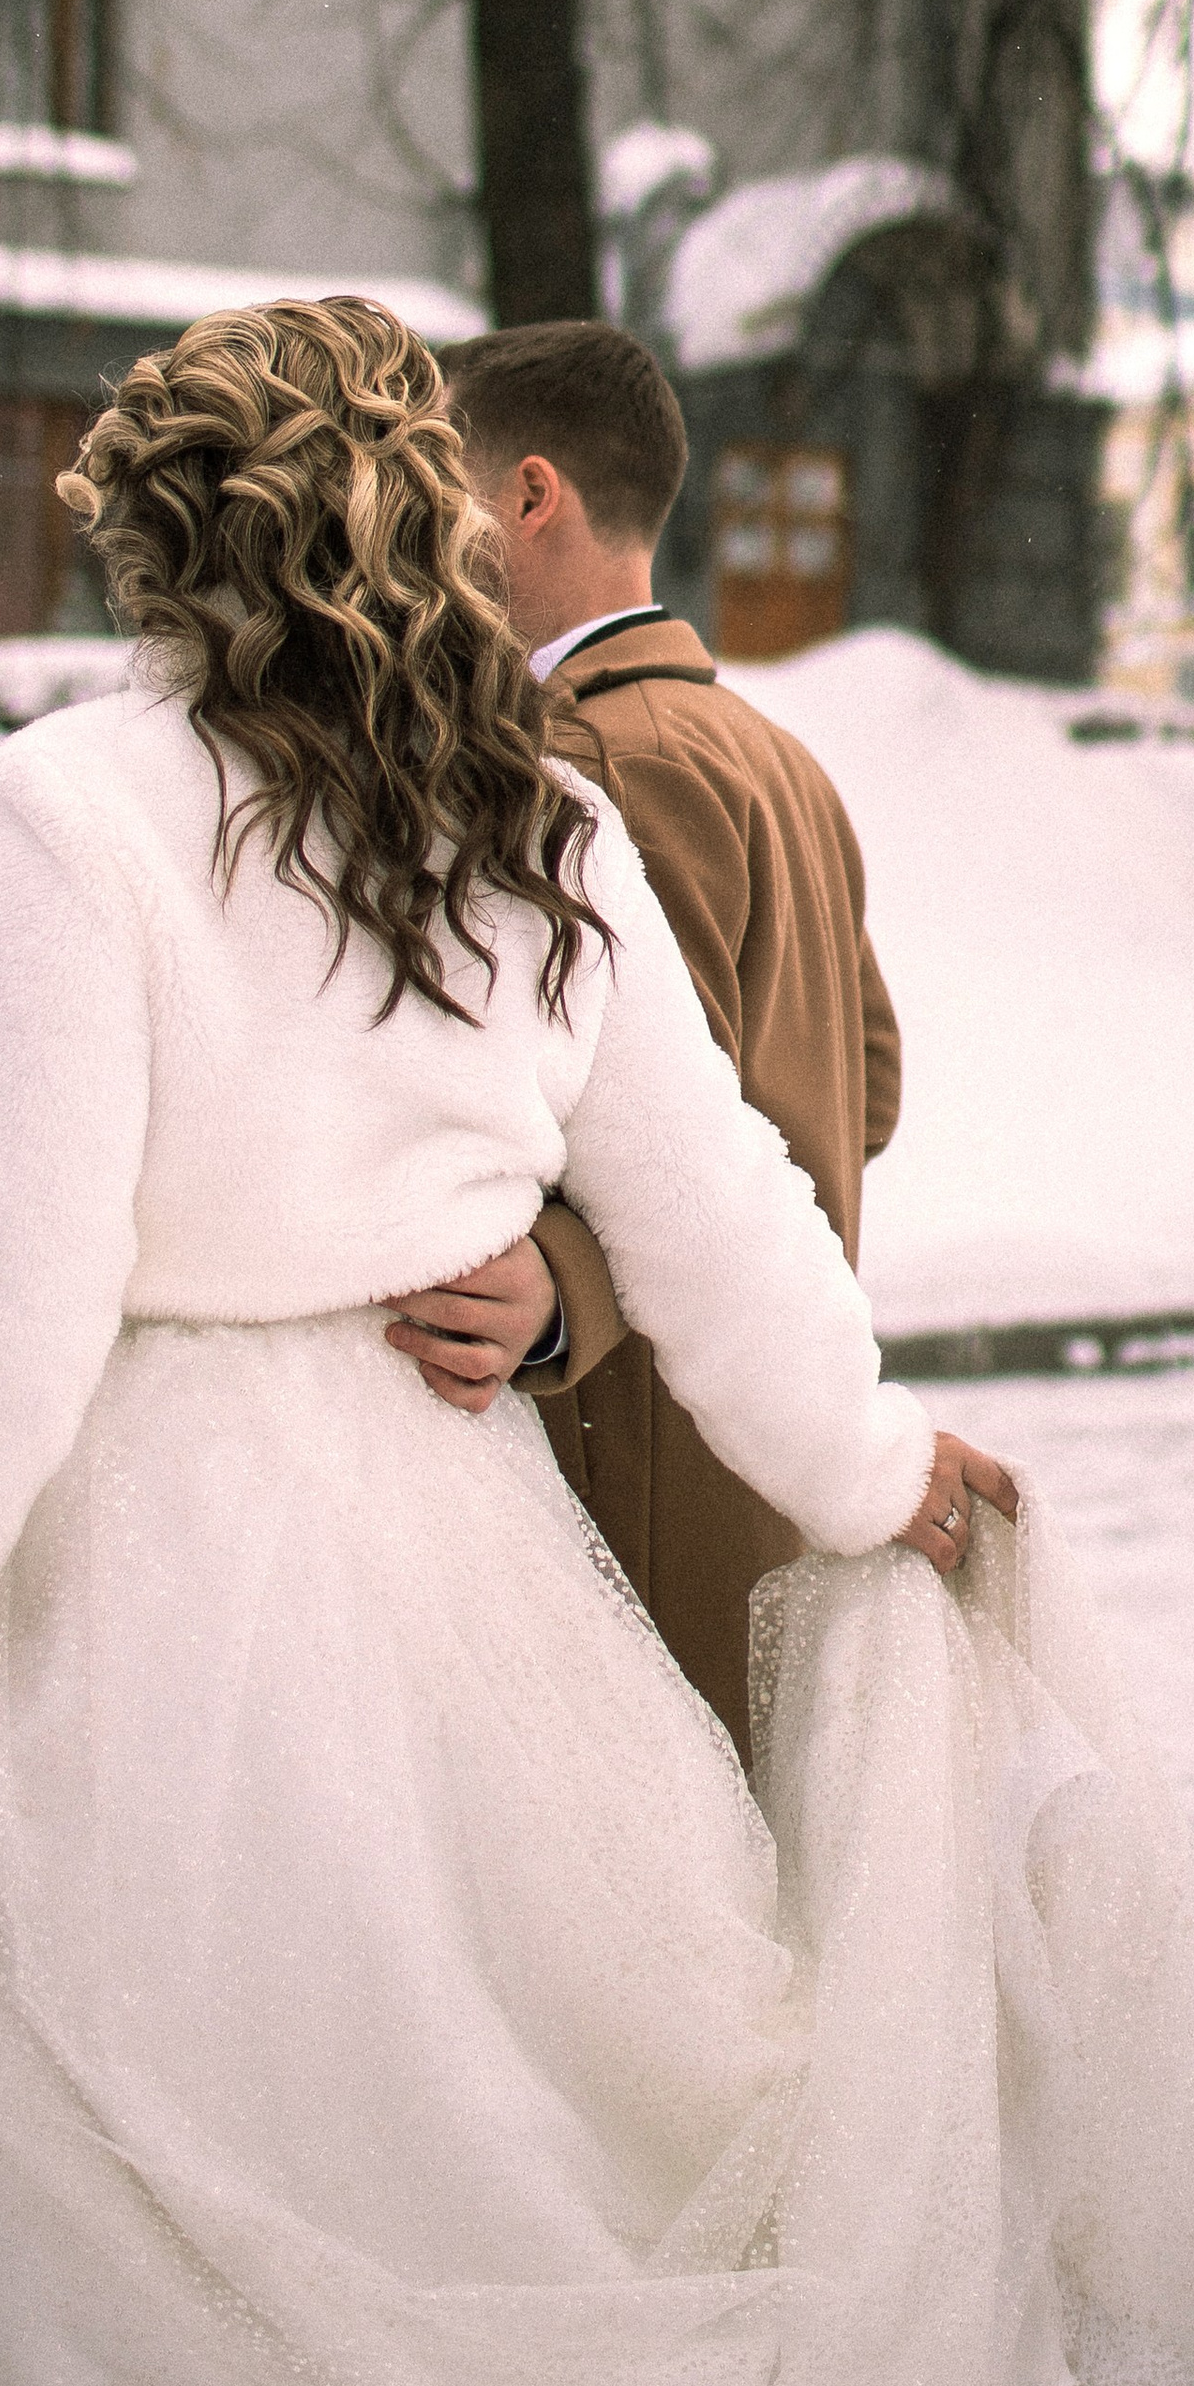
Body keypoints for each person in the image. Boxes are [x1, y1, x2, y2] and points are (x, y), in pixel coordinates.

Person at [0, 298, 1194, 2386]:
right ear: (414, 521)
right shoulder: (535, 823)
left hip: (146, 1591)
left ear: (165, 544)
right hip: (467, 1565)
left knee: (94, 2180)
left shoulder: (76, 809)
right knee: (483, 2133)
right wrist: (868, 1467)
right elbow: (725, 1220)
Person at [384, 320, 910, 1758]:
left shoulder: (589, 765)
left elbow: (671, 1122)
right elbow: (866, 1090)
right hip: (761, 1433)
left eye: (433, 492)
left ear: (530, 496)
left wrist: (564, 1285)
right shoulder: (773, 755)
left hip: (632, 1454)